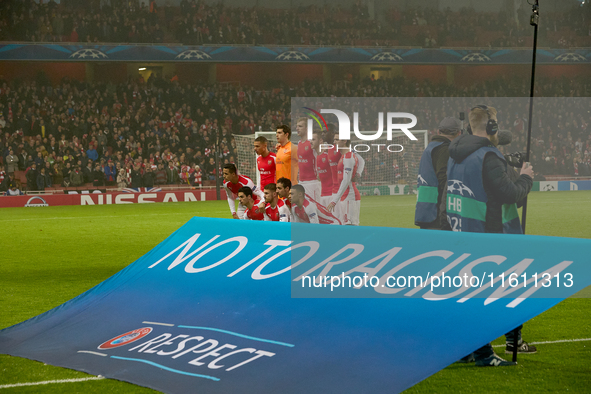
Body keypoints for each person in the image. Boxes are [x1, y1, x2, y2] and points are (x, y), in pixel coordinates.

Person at [447, 105, 536, 367]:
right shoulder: (488, 155)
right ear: (492, 127)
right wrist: (526, 178)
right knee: (494, 293)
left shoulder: (455, 154)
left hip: (463, 231)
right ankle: (486, 354)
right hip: (492, 236)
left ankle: (467, 349)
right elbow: (509, 193)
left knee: (470, 292)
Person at [415, 117, 461, 230]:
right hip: (436, 211)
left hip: (425, 208)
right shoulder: (443, 149)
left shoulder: (430, 148)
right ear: (459, 133)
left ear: (438, 131)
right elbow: (444, 180)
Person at [327, 138, 365, 226]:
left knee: (351, 225)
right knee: (346, 224)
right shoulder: (343, 156)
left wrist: (334, 200)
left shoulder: (348, 157)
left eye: (337, 139)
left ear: (344, 141)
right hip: (345, 196)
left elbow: (346, 180)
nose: (334, 142)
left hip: (349, 195)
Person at [295, 118, 321, 201]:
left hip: (312, 182)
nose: (297, 128)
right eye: (297, 126)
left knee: (316, 210)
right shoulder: (299, 143)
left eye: (300, 126)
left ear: (307, 129)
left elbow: (322, 156)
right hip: (301, 182)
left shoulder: (312, 142)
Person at [312, 129, 333, 208]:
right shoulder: (315, 157)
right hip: (321, 195)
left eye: (313, 139)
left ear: (320, 141)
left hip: (331, 195)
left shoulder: (328, 155)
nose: (311, 142)